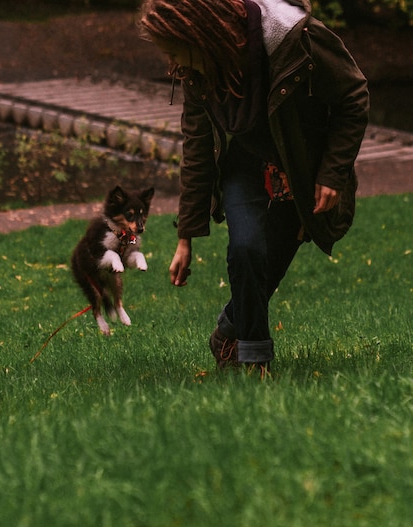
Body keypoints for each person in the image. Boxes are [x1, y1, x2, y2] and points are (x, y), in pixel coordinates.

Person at [140, 0, 369, 377]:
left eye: (173, 51)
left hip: (300, 164)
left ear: (199, 36)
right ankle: (254, 360)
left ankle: (227, 332)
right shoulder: (199, 71)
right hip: (244, 164)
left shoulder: (297, 37)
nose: (173, 64)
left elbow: (354, 96)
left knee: (269, 264)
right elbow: (197, 149)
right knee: (245, 249)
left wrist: (332, 173)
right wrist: (186, 236)